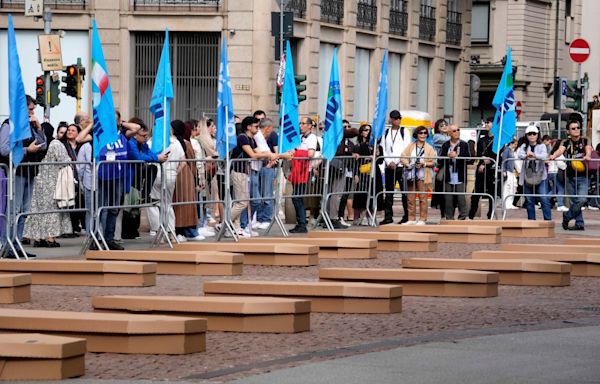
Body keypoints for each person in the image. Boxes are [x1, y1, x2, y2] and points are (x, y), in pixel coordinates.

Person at [23, 130, 73, 247]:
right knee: (51, 210)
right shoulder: (56, 144)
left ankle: (38, 238)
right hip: (51, 181)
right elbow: (63, 161)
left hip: (39, 180)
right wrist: (70, 160)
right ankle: (50, 238)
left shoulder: (43, 145)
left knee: (38, 210)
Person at [229, 116, 274, 237]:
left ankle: (236, 227)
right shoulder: (242, 137)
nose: (258, 129)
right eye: (256, 126)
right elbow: (253, 155)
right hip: (239, 171)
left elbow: (262, 152)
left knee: (241, 201)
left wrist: (275, 155)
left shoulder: (251, 139)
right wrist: (273, 155)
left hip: (245, 172)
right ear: (248, 127)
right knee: (242, 203)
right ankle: (224, 223)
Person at [549, 119, 593, 230]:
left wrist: (588, 155)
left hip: (583, 176)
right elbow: (560, 150)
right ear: (568, 131)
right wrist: (554, 156)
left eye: (578, 128)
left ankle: (567, 216)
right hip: (569, 176)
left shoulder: (584, 140)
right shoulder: (565, 142)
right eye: (573, 128)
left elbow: (588, 148)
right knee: (574, 201)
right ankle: (579, 223)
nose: (576, 130)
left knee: (582, 200)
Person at [400, 126, 436, 225]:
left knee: (423, 197)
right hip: (410, 173)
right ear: (416, 134)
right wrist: (407, 164)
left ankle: (422, 219)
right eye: (421, 133)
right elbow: (402, 157)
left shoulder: (429, 147)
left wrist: (424, 164)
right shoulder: (411, 146)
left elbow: (433, 161)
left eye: (425, 133)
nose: (423, 135)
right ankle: (411, 219)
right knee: (410, 197)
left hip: (423, 174)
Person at [380, 110, 411, 225]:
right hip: (389, 167)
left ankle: (407, 216)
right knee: (389, 193)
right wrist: (389, 162)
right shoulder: (386, 132)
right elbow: (384, 148)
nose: (397, 120)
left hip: (401, 166)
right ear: (391, 120)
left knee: (404, 193)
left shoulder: (404, 131)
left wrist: (397, 161)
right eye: (395, 118)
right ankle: (388, 216)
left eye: (398, 118)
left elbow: (406, 148)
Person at [516, 125, 552, 221]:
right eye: (529, 134)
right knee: (529, 200)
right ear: (526, 135)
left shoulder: (542, 145)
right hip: (527, 176)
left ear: (537, 135)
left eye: (534, 134)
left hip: (541, 176)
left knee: (544, 199)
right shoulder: (524, 146)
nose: (532, 136)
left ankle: (548, 221)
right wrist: (526, 155)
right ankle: (531, 221)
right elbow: (519, 154)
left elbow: (544, 156)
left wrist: (535, 155)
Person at [289, 117, 318, 233]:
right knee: (296, 197)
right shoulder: (299, 137)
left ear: (310, 126)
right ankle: (300, 223)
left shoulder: (312, 138)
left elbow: (310, 153)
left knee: (297, 197)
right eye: (299, 123)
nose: (300, 125)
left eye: (303, 123)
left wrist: (295, 152)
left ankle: (302, 224)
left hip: (305, 170)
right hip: (297, 169)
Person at [352, 123, 383, 225]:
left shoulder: (376, 146)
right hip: (362, 173)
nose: (367, 132)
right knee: (360, 195)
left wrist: (377, 154)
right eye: (365, 130)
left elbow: (380, 161)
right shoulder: (358, 146)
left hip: (374, 172)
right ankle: (357, 217)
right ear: (361, 132)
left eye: (369, 130)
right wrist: (355, 174)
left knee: (374, 193)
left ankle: (371, 216)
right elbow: (355, 162)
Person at [439, 125, 471, 220]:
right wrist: (447, 155)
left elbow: (469, 158)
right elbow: (440, 160)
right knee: (448, 198)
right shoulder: (445, 145)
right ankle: (449, 218)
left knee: (461, 198)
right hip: (448, 175)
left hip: (460, 175)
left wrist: (457, 156)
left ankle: (463, 217)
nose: (456, 132)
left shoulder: (464, 144)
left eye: (458, 130)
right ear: (449, 133)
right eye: (454, 131)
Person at [469, 117, 497, 220]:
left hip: (492, 170)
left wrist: (488, 160)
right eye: (485, 122)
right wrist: (482, 161)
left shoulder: (498, 140)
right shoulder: (482, 140)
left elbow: (497, 154)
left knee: (491, 193)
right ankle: (471, 215)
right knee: (476, 193)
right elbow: (480, 153)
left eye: (488, 122)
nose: (486, 124)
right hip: (481, 170)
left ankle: (490, 215)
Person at [253, 117, 278, 229]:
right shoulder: (258, 136)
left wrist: (273, 160)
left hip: (267, 167)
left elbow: (271, 152)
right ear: (268, 128)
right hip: (259, 167)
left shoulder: (269, 136)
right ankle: (259, 218)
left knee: (267, 193)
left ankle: (266, 218)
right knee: (258, 194)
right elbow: (265, 152)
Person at [501, 138, 519, 210]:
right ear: (511, 143)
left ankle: (510, 203)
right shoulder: (507, 150)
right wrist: (504, 170)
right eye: (515, 144)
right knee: (507, 187)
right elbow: (504, 161)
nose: (516, 145)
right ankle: (506, 203)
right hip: (508, 171)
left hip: (511, 171)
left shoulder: (511, 151)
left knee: (511, 187)